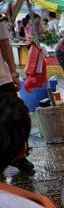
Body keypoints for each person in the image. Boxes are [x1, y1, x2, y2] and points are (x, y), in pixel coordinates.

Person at [0, 14, 34, 172]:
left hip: (1, 78)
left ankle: (19, 156)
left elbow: (4, 42)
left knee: (13, 118)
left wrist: (13, 72)